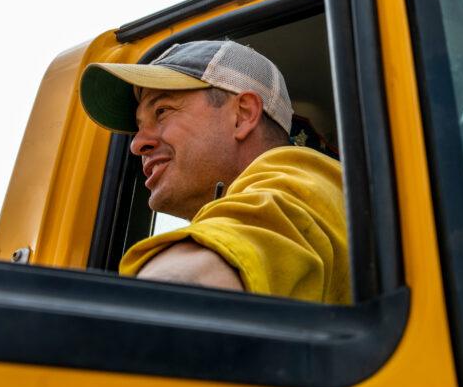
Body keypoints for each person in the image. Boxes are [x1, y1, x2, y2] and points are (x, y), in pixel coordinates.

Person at [79, 39, 350, 304]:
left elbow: (186, 288)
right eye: (139, 127)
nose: (138, 144)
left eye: (162, 111)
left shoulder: (304, 182)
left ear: (243, 115)